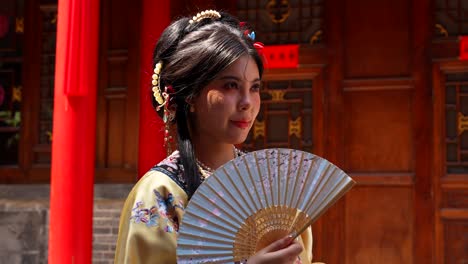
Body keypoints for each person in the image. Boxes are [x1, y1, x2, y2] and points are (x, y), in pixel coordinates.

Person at [114, 10, 314, 264]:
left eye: (254, 87)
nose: (246, 103)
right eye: (230, 85)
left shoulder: (272, 186)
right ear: (191, 96)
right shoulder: (161, 193)